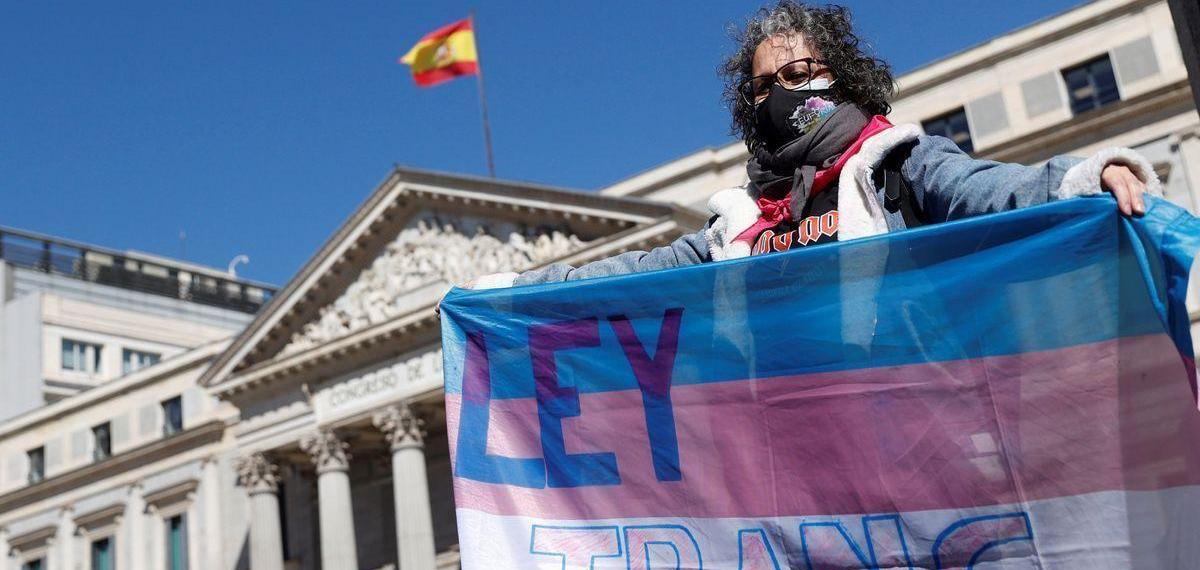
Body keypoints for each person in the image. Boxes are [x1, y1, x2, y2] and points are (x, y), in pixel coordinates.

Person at [467, 1, 1159, 290]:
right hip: (789, 455)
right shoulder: (736, 221)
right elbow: (634, 273)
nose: (786, 94)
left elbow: (988, 192)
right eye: (769, 85)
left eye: (802, 74)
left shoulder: (896, 162)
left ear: (842, 77)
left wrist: (1086, 174)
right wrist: (513, 288)